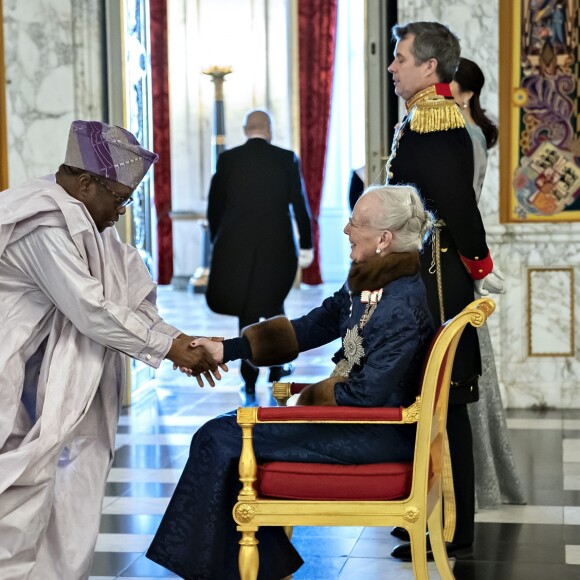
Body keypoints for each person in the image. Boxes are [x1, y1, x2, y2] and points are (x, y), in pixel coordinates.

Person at [146, 184, 436, 579]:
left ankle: (246, 569)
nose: (346, 229)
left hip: (373, 432)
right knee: (221, 435)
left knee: (218, 437)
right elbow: (313, 324)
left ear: (384, 239)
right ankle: (258, 568)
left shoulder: (401, 305)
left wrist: (310, 401)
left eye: (356, 223)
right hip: (354, 420)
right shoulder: (374, 281)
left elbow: (367, 398)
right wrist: (227, 349)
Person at [0, 120, 223, 579]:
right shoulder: (42, 222)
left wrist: (177, 340)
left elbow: (128, 297)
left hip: (45, 376)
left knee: (59, 489)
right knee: (17, 495)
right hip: (13, 370)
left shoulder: (88, 218)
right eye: (119, 200)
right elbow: (91, 309)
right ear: (85, 183)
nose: (121, 212)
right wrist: (170, 347)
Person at [384, 22, 505, 561]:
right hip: (424, 273)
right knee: (423, 396)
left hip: (436, 275)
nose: (392, 66)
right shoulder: (421, 117)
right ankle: (422, 510)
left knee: (446, 397)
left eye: (400, 58)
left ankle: (452, 527)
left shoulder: (433, 121)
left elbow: (457, 205)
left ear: (429, 66)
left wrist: (479, 263)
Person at [451, 57, 526, 509]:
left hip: (457, 257)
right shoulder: (462, 129)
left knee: (462, 371)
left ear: (462, 88)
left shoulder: (467, 133)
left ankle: (470, 486)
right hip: (459, 255)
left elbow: (463, 208)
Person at [206, 109, 314, 396]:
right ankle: (278, 368)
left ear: (245, 129)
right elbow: (299, 206)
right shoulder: (286, 158)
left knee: (247, 309)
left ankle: (249, 372)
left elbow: (214, 207)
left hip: (236, 249)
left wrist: (218, 242)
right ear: (269, 129)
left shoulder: (227, 160)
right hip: (277, 248)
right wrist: (306, 244)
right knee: (274, 304)